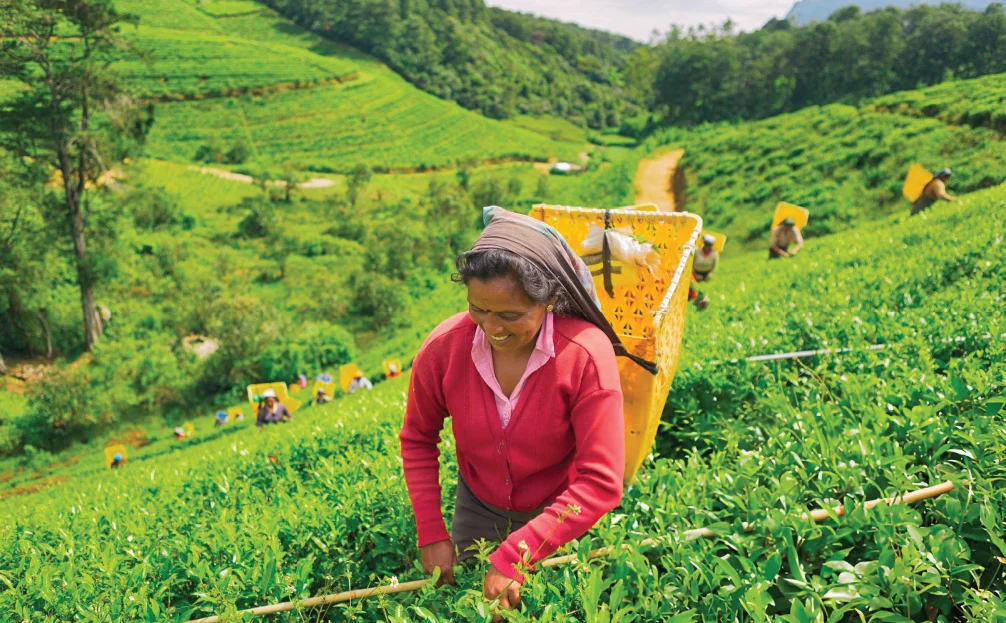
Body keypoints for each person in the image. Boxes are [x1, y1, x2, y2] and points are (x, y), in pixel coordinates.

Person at [400, 206, 631, 616]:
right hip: (479, 503)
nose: (492, 328)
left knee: (562, 605)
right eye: (478, 309)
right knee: (472, 604)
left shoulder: (584, 356)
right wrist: (432, 533)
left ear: (551, 300)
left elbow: (601, 481)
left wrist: (517, 554)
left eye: (510, 315)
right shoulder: (444, 349)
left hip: (562, 507)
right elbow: (418, 437)